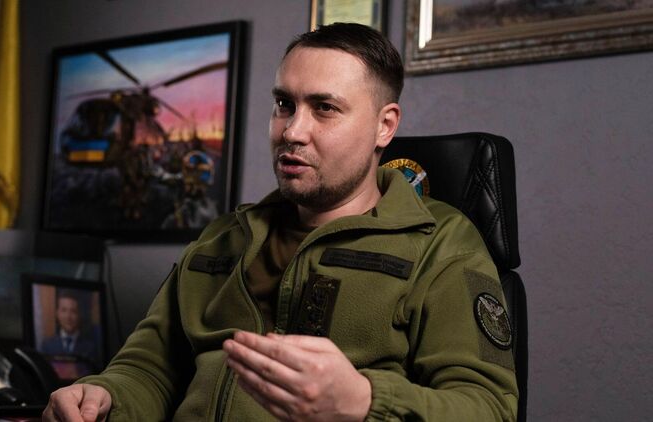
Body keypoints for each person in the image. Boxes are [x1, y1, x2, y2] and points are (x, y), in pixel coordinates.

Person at [43, 23, 518, 422]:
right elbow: (149, 368)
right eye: (284, 104)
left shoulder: (440, 244)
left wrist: (364, 402)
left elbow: (489, 408)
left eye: (325, 108)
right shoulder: (223, 239)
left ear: (384, 126)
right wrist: (103, 396)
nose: (292, 131)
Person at [40, 291, 99, 368]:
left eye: (73, 311)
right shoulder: (47, 345)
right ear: (57, 313)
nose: (68, 317)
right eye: (64, 310)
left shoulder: (90, 348)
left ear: (79, 315)